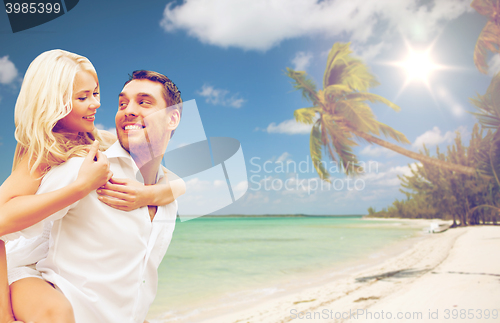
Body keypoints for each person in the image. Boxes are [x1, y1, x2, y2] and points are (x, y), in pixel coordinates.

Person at [0, 51, 184, 323]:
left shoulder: (99, 145)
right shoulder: (57, 159)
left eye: (96, 94)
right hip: (28, 278)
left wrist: (152, 193)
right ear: (55, 104)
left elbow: (173, 181)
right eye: (82, 97)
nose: (96, 104)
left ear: (173, 119)